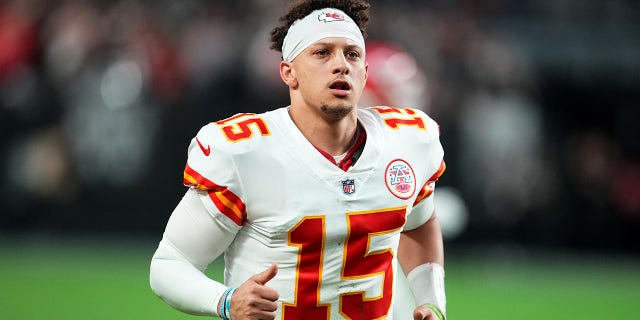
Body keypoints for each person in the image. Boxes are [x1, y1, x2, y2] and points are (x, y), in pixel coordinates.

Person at [149, 1, 447, 319]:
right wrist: (225, 301)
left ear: (365, 73)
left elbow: (419, 223)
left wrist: (431, 300)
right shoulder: (245, 152)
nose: (341, 65)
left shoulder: (407, 141)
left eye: (352, 54)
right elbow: (170, 264)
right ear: (288, 73)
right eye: (322, 53)